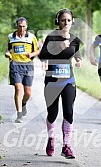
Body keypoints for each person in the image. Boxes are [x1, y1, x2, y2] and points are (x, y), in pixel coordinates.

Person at [38, 8, 82, 159]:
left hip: (69, 80)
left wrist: (79, 60)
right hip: (52, 81)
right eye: (63, 20)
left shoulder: (75, 39)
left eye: (69, 20)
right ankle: (51, 139)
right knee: (53, 113)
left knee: (69, 112)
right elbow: (42, 56)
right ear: (58, 21)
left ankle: (67, 146)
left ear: (72, 22)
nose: (66, 23)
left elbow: (76, 51)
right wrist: (58, 48)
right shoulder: (52, 37)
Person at [5, 17, 39, 123]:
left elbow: (38, 50)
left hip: (28, 65)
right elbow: (7, 50)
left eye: (24, 26)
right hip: (15, 65)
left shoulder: (31, 37)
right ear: (17, 26)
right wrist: (7, 54)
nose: (22, 28)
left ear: (26, 26)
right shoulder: (11, 37)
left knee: (28, 92)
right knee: (18, 88)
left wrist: (31, 54)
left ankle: (23, 103)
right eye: (20, 26)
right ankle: (19, 114)